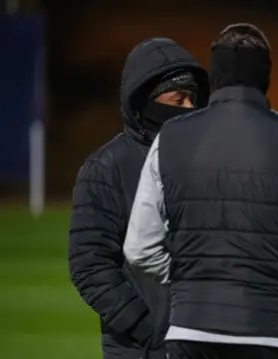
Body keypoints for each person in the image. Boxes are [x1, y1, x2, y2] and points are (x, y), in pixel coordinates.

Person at [123, 23, 278, 359]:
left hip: (189, 331)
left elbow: (139, 247)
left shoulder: (169, 138)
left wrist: (190, 283)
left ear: (215, 78)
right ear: (265, 77)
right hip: (270, 333)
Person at [68, 38, 209, 359]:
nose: (189, 108)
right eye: (179, 99)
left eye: (193, 99)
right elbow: (89, 265)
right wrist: (149, 330)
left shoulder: (207, 159)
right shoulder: (105, 168)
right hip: (141, 350)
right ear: (146, 101)